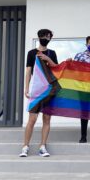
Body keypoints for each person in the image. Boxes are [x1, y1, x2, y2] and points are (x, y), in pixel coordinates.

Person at [19, 29, 58, 157]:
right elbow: (28, 71)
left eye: (48, 37)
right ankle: (25, 146)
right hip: (36, 89)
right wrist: (26, 88)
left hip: (49, 89)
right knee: (32, 119)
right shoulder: (31, 53)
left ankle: (43, 146)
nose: (46, 38)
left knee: (46, 118)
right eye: (44, 36)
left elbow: (56, 69)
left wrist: (48, 58)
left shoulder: (52, 53)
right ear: (39, 37)